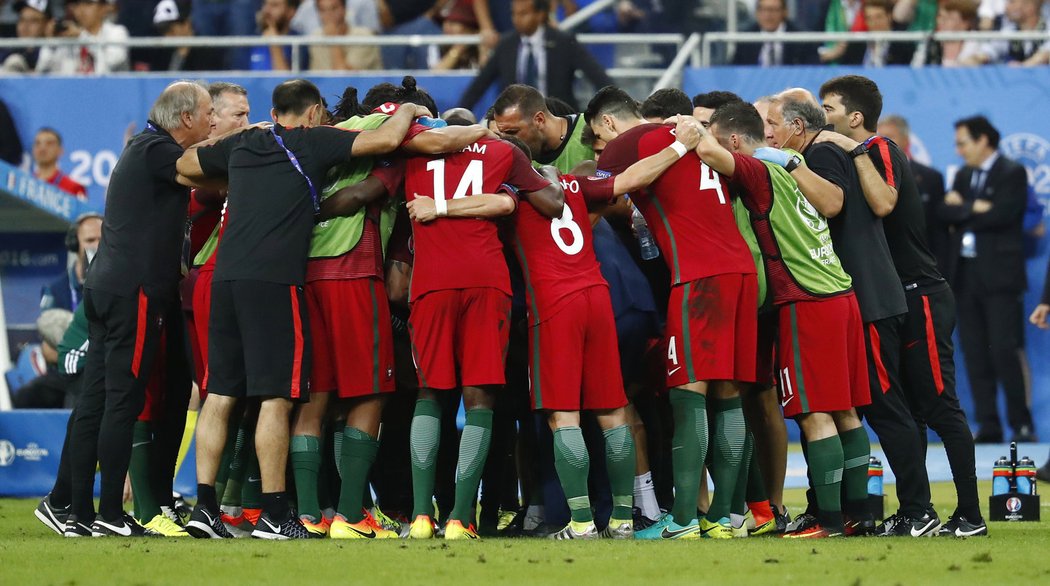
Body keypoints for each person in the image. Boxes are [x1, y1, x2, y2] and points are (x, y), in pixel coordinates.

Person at [411, 119, 704, 540]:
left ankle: (582, 523)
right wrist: (679, 149)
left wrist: (438, 207)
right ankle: (623, 520)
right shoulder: (573, 186)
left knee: (562, 417)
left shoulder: (511, 192)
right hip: (597, 297)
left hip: (553, 306)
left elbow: (497, 206)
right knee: (611, 411)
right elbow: (631, 178)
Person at [176, 79, 424, 540]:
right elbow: (389, 139)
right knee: (276, 396)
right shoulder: (312, 140)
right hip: (275, 281)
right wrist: (409, 108)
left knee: (221, 394)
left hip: (226, 275)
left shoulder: (246, 142)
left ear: (273, 111)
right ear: (312, 114)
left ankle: (204, 506)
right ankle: (275, 511)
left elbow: (185, 166)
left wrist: (232, 161)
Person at [291, 84, 497, 539]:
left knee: (319, 398)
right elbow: (364, 194)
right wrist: (486, 129)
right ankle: (352, 515)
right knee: (371, 394)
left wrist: (298, 214)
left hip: (305, 275)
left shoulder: (333, 133)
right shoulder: (396, 145)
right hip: (355, 272)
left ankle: (311, 515)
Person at [818, 75, 986, 537]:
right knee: (907, 410)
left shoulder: (880, 148)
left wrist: (852, 149)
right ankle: (920, 511)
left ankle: (970, 515)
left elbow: (885, 202)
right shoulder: (847, 156)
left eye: (829, 108)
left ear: (854, 117)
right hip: (897, 296)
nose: (823, 117)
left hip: (921, 293)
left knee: (940, 406)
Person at [698, 101, 871, 539]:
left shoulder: (758, 170)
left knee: (814, 415)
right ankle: (859, 516)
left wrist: (686, 129)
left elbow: (712, 156)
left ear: (735, 141)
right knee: (847, 412)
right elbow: (834, 204)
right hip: (841, 293)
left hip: (804, 300)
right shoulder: (796, 169)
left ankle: (828, 522)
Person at [591, 86, 757, 540]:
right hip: (740, 272)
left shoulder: (634, 142)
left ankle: (683, 519)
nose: (601, 150)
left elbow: (598, 189)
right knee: (729, 395)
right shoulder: (710, 142)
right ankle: (727, 516)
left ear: (612, 124)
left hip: (698, 277)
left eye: (598, 139)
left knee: (688, 394)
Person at [60, 81, 212, 538]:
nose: (210, 121)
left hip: (108, 286)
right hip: (135, 291)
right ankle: (107, 512)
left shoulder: (143, 147)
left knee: (98, 400)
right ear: (185, 118)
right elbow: (200, 168)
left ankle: (79, 512)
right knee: (123, 403)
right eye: (208, 113)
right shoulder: (157, 150)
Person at [764, 89, 919, 536]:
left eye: (829, 109)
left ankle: (908, 509)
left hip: (840, 297)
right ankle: (858, 514)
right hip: (851, 296)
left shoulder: (821, 155)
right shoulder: (829, 152)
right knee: (849, 409)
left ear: (798, 126)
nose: (827, 121)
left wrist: (787, 161)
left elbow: (833, 206)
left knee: (863, 410)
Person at [401, 133, 561, 541]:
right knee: (480, 398)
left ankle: (421, 516)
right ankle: (459, 518)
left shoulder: (410, 152)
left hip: (431, 282)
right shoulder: (502, 151)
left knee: (429, 393)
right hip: (486, 279)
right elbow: (532, 202)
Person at [940, 115, 1035, 444]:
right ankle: (989, 424)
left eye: (963, 142)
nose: (959, 150)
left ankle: (1021, 423)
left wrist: (965, 210)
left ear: (983, 141)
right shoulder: (964, 175)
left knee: (1004, 352)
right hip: (965, 278)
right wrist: (974, 208)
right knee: (975, 352)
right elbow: (946, 212)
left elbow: (1005, 214)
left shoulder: (1012, 171)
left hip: (1000, 279)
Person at [458, 0, 614, 111]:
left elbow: (598, 77)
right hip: (516, 119)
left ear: (540, 15)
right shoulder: (506, 45)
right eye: (514, 14)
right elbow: (478, 87)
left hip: (559, 117)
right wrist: (458, 116)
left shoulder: (563, 42)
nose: (516, 19)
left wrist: (608, 109)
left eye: (523, 14)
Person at [878, 114, 952, 276]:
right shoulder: (867, 176)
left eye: (890, 138)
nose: (883, 144)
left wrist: (939, 269)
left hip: (920, 268)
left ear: (906, 141)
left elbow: (937, 230)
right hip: (882, 266)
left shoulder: (931, 178)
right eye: (878, 138)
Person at [491, 84, 594, 173]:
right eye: (502, 134)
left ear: (539, 120)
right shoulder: (519, 159)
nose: (508, 141)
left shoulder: (593, 127)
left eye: (512, 132)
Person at [36, 0, 130, 74]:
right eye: (77, 3)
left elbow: (111, 63)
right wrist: (51, 44)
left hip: (109, 92)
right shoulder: (68, 35)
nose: (81, 9)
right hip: (74, 93)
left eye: (88, 3)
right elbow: (43, 70)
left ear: (104, 8)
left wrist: (82, 36)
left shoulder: (117, 32)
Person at [40, 212, 101, 312]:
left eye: (103, 240)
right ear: (75, 244)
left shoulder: (121, 286)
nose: (98, 246)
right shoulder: (54, 290)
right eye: (90, 240)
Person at [732, 0, 818, 66]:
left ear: (785, 12)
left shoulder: (802, 39)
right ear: (756, 13)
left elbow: (812, 70)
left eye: (773, 10)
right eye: (763, 10)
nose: (768, 15)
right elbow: (734, 71)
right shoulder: (746, 39)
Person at [307, 0, 382, 71]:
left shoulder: (365, 37)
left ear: (345, 9)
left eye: (334, 8)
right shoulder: (315, 38)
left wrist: (333, 39)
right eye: (323, 10)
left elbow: (344, 78)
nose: (329, 14)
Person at [152, 0, 225, 71]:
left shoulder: (207, 51)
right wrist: (179, 57)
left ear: (186, 24)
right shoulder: (161, 53)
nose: (167, 37)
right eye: (163, 32)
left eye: (171, 31)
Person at [31, 128, 86, 199]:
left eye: (49, 143)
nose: (42, 148)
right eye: (38, 143)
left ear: (60, 150)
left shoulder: (73, 188)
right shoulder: (25, 183)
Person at [1, 0, 52, 72]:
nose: (25, 26)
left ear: (46, 24)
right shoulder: (8, 48)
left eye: (33, 21)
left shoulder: (54, 51)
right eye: (22, 19)